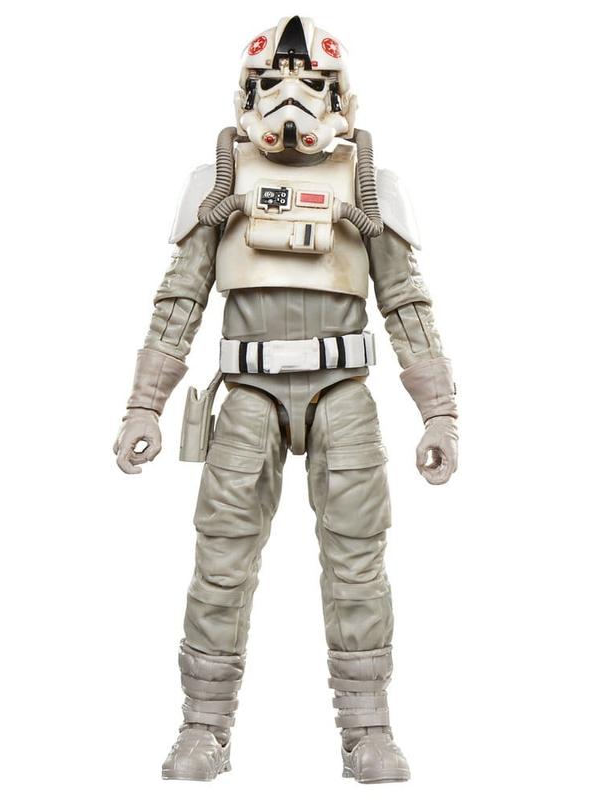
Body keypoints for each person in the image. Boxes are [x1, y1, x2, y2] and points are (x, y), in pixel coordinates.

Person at [113, 15, 458, 783]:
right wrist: (145, 404)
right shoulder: (218, 186)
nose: (291, 97)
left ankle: (368, 731)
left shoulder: (368, 186)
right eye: (272, 81)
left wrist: (439, 412)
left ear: (341, 97)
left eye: (310, 82)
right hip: (248, 393)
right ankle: (203, 728)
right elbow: (180, 299)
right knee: (222, 562)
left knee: (358, 566)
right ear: (248, 93)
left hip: (343, 392)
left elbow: (405, 302)